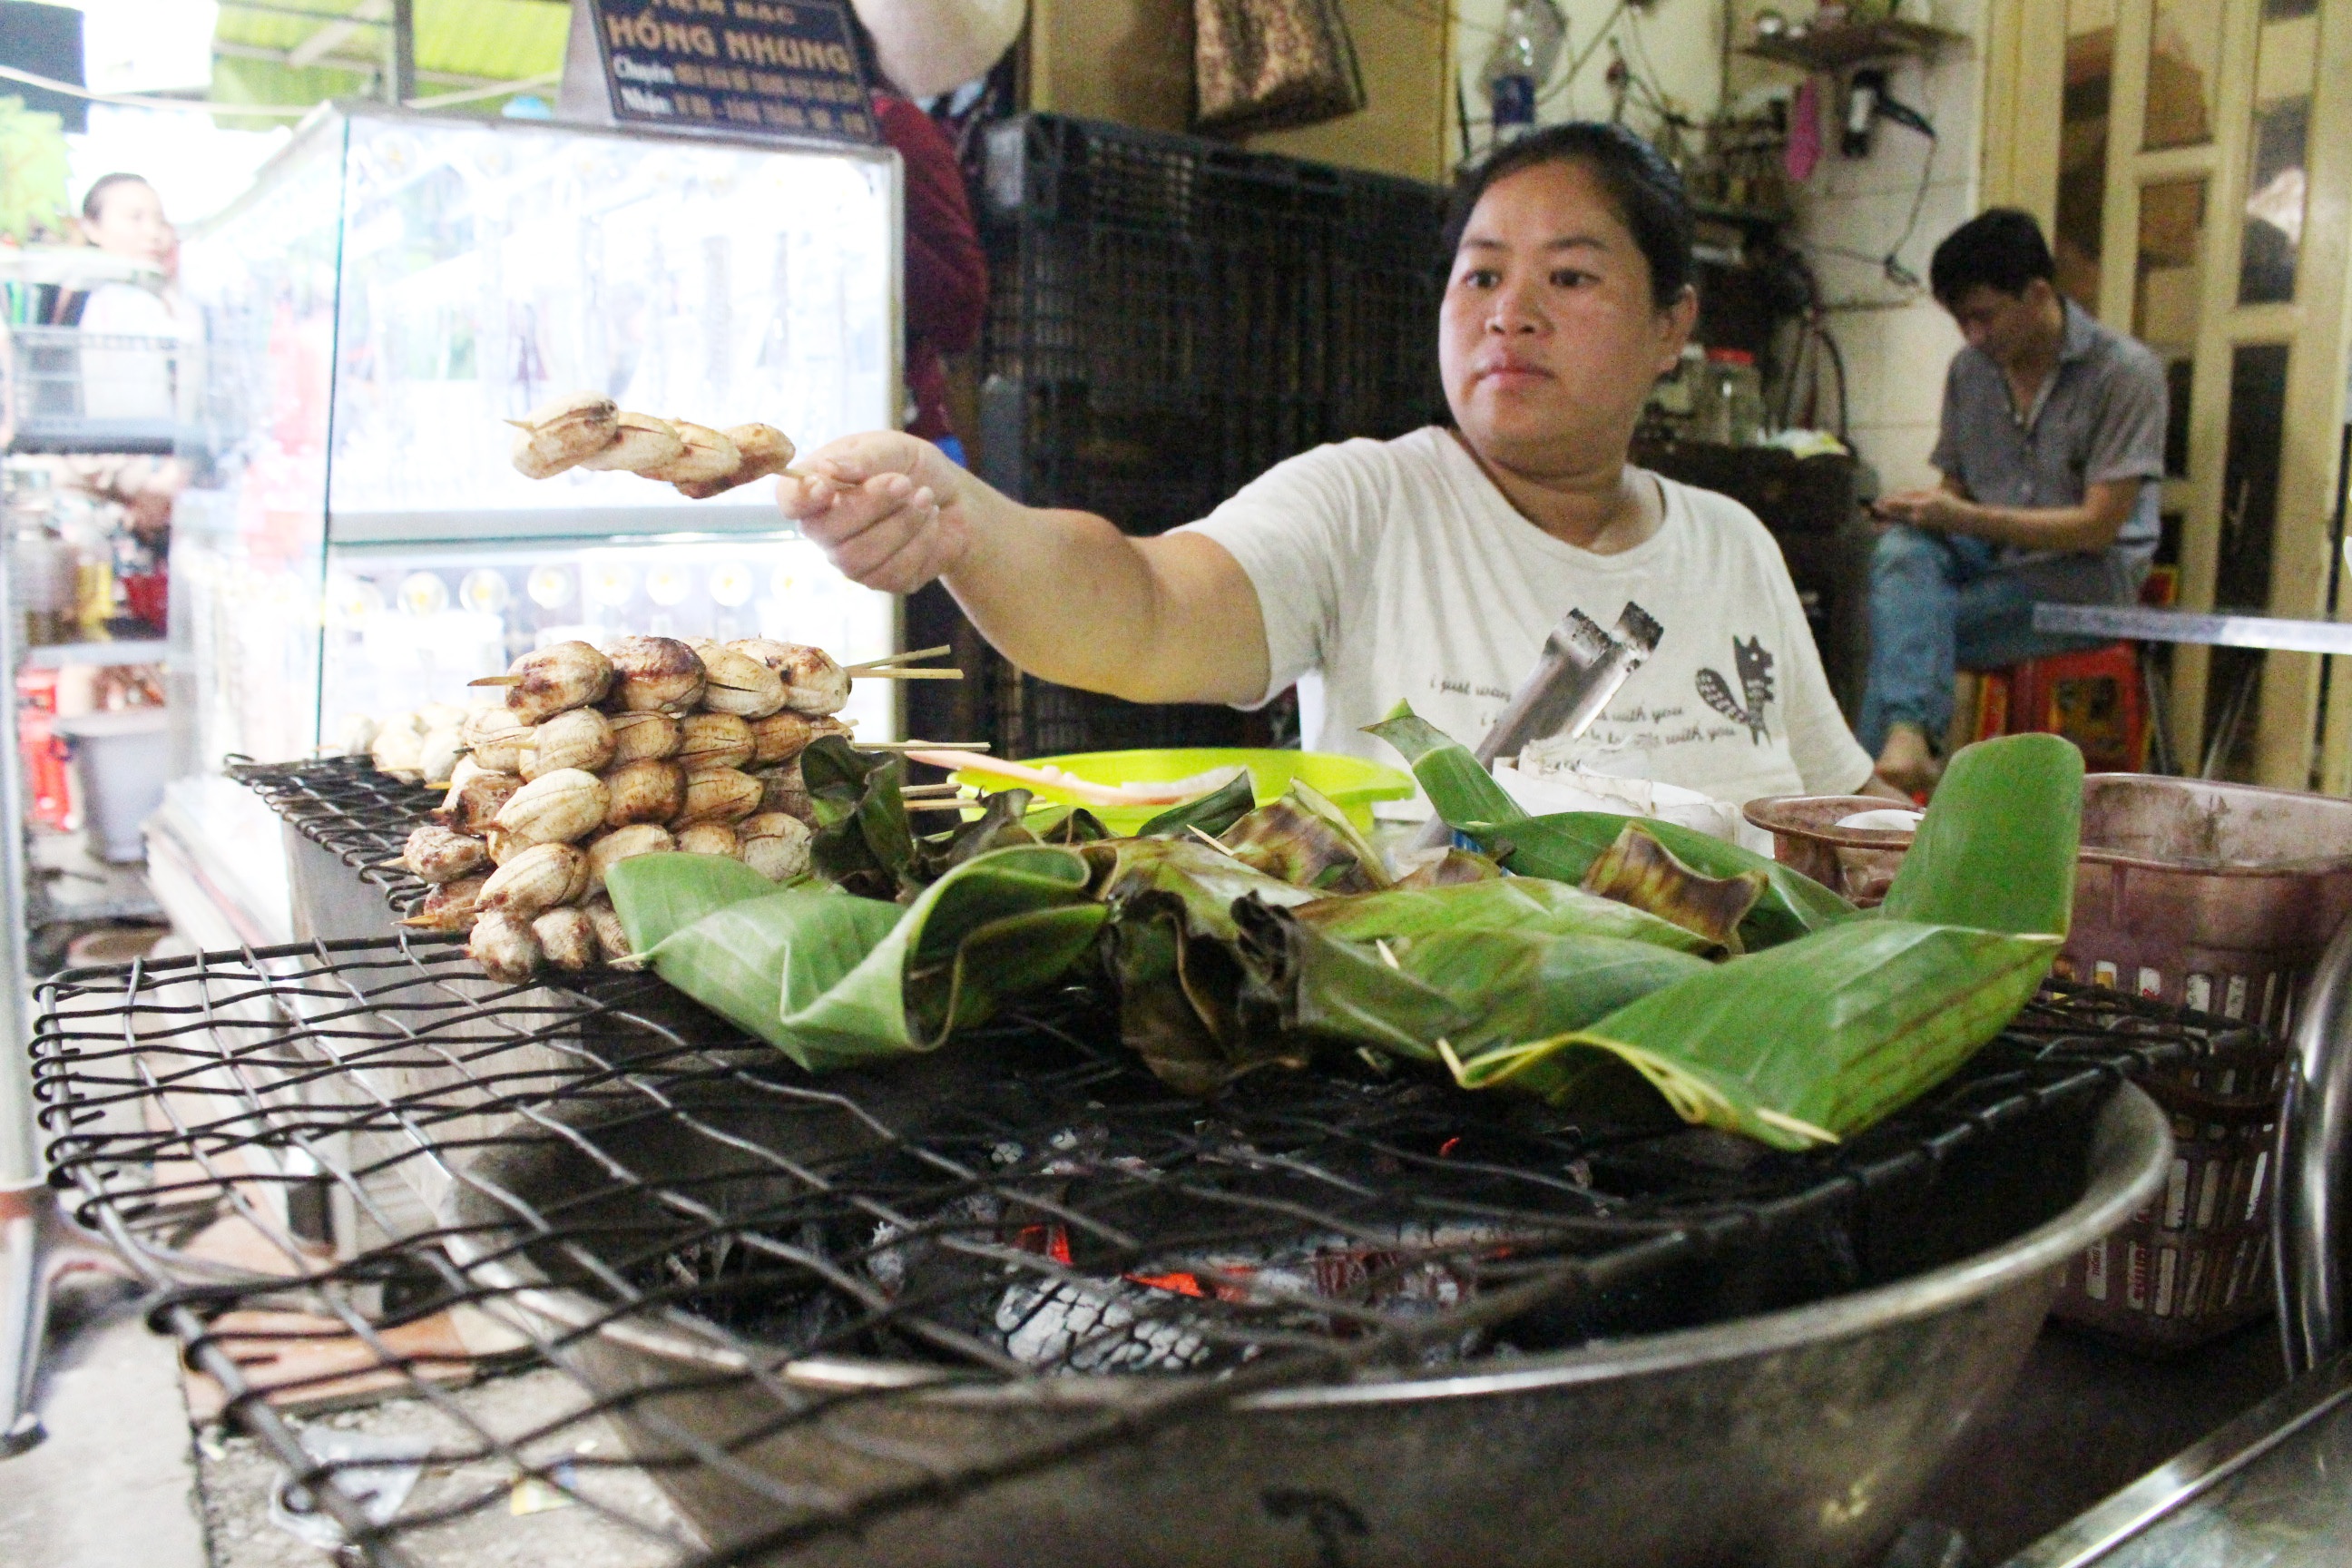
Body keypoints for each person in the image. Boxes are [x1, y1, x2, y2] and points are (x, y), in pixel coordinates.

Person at [780, 123, 1890, 808]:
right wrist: (964, 516)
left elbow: (1845, 813)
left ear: (1670, 327)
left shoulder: (1729, 545)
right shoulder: (1372, 502)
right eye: (1481, 276)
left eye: (1570, 279)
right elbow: (1141, 606)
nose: (1512, 314)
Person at [1858, 209, 2167, 794]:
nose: (1972, 336)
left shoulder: (2125, 373)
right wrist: (1923, 511)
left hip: (2089, 577)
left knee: (1906, 628)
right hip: (1995, 559)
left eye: (1984, 316)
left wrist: (1963, 516)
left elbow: (2097, 528)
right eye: (1959, 320)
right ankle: (1903, 748)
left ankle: (1875, 794)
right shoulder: (1970, 372)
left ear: (2038, 294)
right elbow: (1957, 493)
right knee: (1903, 551)